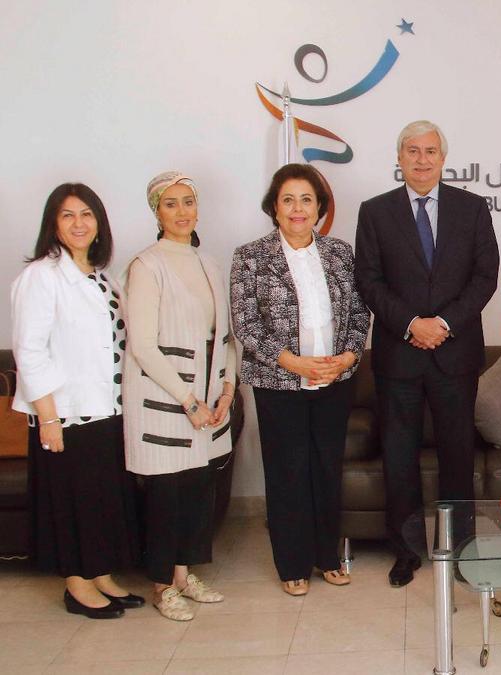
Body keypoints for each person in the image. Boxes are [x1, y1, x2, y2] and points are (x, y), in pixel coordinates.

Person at [355, 120, 500, 588]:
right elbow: (368, 280)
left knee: (458, 457)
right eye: (413, 151)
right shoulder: (375, 212)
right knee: (399, 459)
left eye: (430, 151)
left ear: (443, 158)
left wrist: (443, 324)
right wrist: (411, 324)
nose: (422, 159)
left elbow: (485, 276)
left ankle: (460, 550)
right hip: (399, 357)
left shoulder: (472, 208)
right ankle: (405, 552)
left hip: (455, 355)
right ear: (399, 158)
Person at [231, 164, 370, 596]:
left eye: (306, 200)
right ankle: (292, 563)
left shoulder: (339, 253)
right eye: (288, 199)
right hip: (279, 383)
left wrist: (348, 356)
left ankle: (327, 557)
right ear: (274, 207)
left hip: (335, 379)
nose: (298, 208)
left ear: (319, 207)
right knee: (288, 471)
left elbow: (359, 312)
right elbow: (246, 325)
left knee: (326, 469)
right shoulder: (250, 256)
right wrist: (295, 363)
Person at [10, 183, 141, 619]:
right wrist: (48, 418)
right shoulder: (42, 276)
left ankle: (100, 574)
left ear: (99, 222)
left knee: (101, 498)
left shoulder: (102, 276)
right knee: (71, 501)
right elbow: (29, 350)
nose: (79, 223)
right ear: (53, 224)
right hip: (66, 413)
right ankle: (77, 585)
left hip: (107, 406)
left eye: (87, 214)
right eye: (68, 215)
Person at [124, 171, 235, 621]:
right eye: (170, 204)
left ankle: (184, 576)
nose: (182, 211)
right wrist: (187, 401)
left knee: (196, 489)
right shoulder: (146, 265)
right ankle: (161, 586)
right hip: (166, 401)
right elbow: (142, 345)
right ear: (157, 212)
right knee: (165, 494)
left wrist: (228, 389)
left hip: (208, 401)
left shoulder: (209, 263)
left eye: (188, 201)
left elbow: (227, 336)